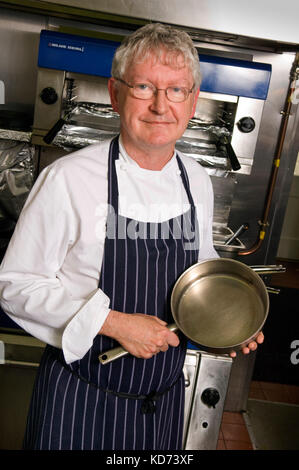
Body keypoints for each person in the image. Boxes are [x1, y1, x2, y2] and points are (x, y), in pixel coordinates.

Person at [0, 23, 263, 450]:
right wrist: (115, 323)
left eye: (177, 90)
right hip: (79, 401)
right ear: (115, 93)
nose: (161, 105)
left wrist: (229, 318)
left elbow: (201, 263)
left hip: (159, 405)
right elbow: (13, 285)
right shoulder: (69, 179)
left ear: (193, 101)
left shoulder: (195, 179)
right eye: (144, 87)